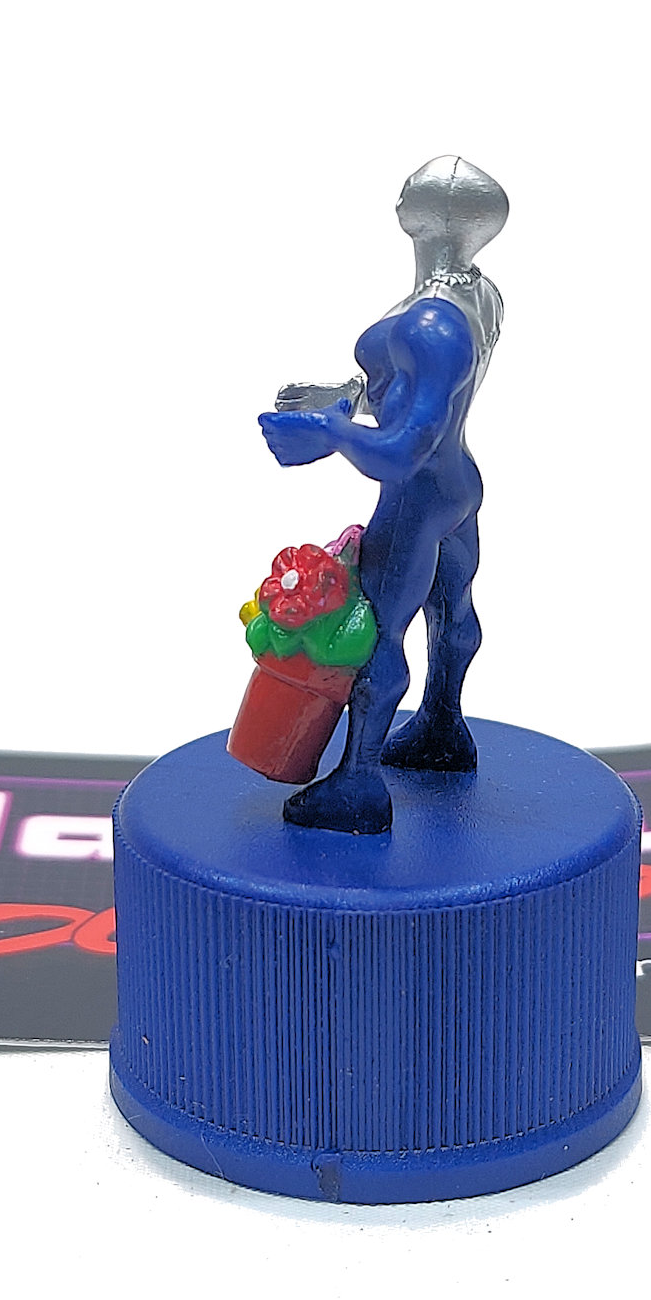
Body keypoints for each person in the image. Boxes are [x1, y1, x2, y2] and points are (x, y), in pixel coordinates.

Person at [257, 157, 507, 833]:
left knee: (374, 634)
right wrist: (344, 396)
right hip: (459, 484)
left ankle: (359, 785)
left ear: (418, 216)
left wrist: (330, 434)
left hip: (417, 496)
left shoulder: (431, 324)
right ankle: (442, 727)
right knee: (452, 610)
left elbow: (403, 449)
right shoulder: (479, 296)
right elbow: (420, 395)